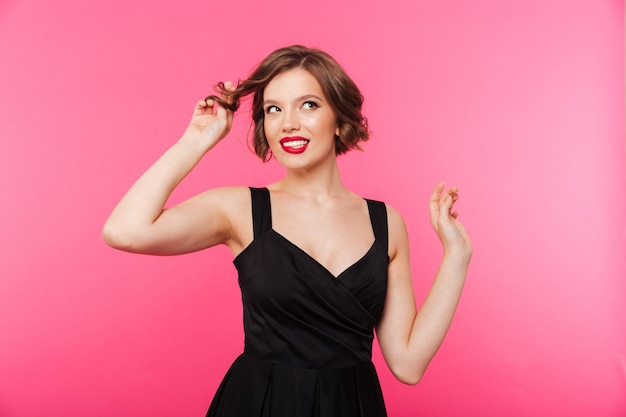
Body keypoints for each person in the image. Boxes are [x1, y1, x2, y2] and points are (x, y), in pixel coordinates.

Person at [102, 45, 472, 417]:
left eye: (308, 105)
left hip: (350, 407)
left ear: (340, 119)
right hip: (259, 404)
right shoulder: (240, 209)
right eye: (273, 110)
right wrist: (195, 142)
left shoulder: (385, 222)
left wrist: (457, 255)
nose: (288, 123)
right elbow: (125, 230)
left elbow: (408, 365)